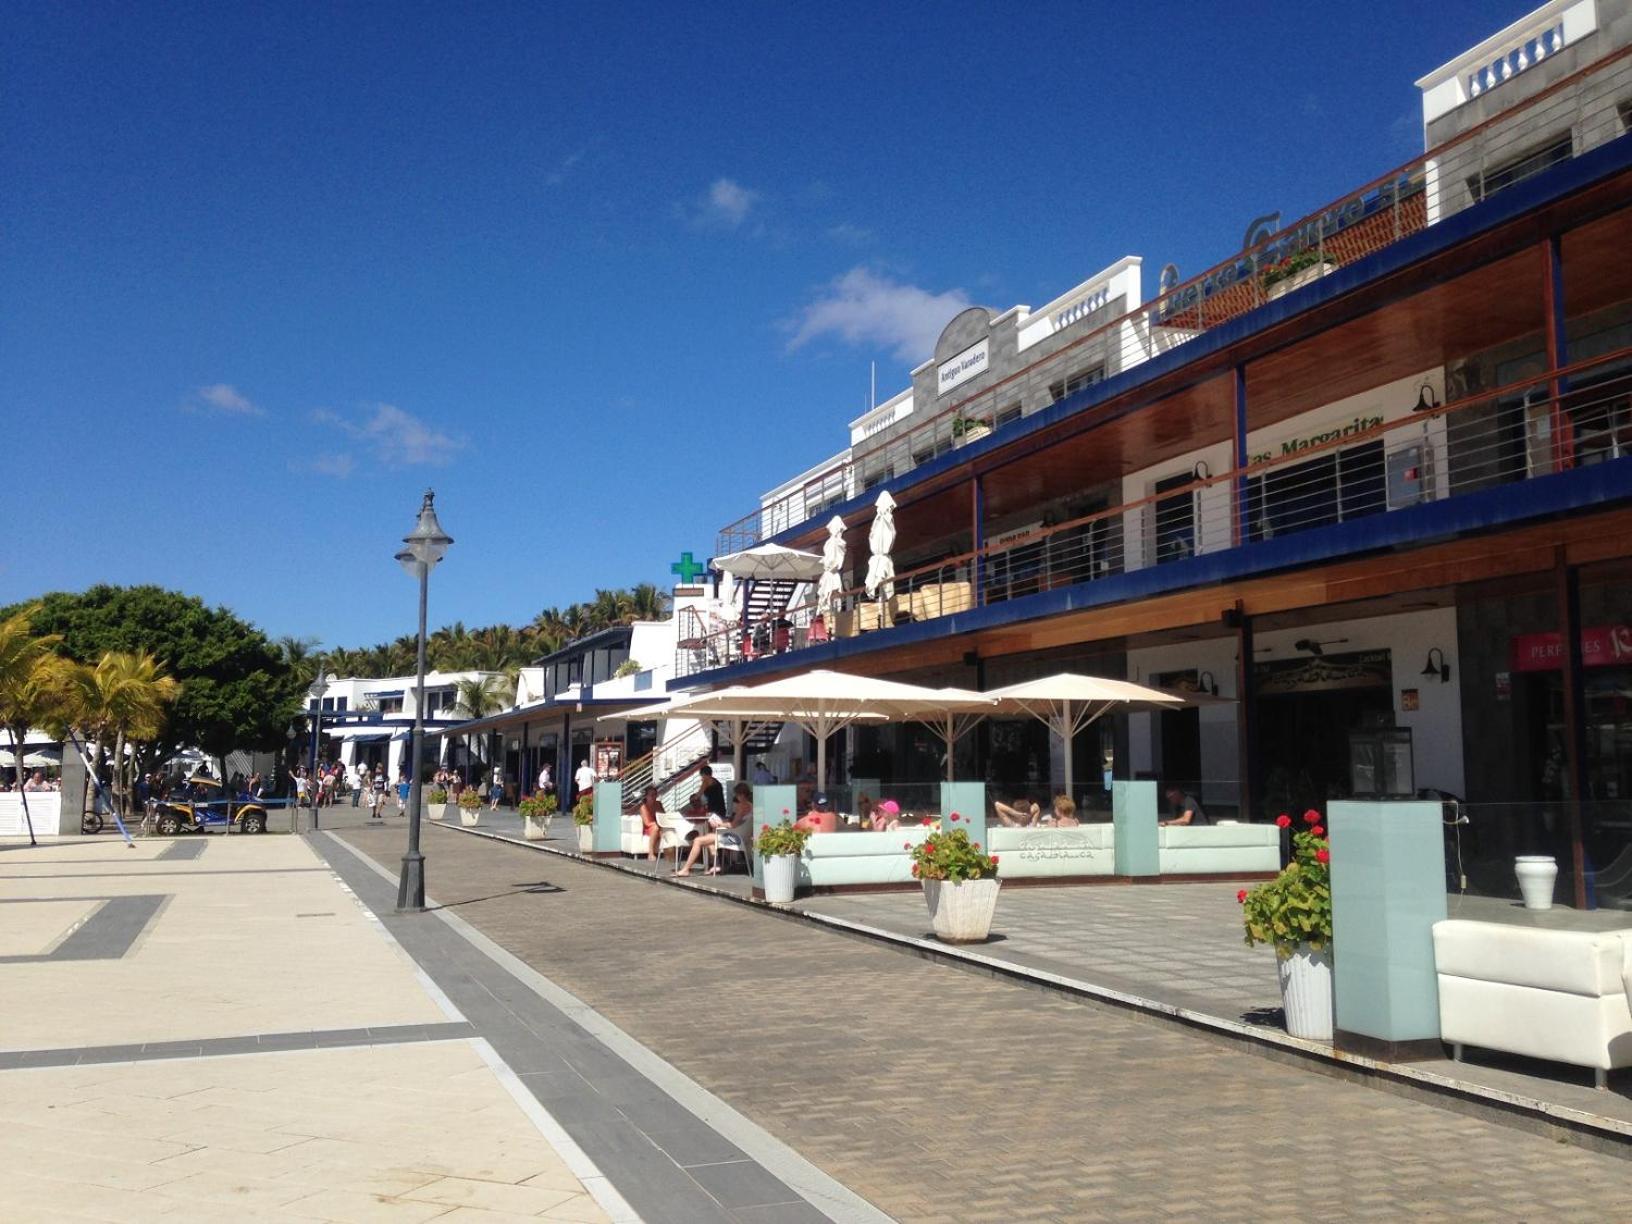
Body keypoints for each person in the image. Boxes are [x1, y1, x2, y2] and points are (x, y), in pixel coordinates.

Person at [676, 783, 752, 876]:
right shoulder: (750, 806)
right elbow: (737, 823)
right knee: (709, 839)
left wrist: (719, 823)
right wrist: (724, 823)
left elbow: (733, 825)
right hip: (740, 837)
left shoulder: (742, 806)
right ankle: (717, 865)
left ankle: (685, 869)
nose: (736, 797)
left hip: (733, 838)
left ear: (741, 795)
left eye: (737, 795)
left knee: (698, 840)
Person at [638, 784, 665, 861]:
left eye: (655, 794)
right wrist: (658, 824)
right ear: (646, 796)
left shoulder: (658, 804)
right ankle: (650, 853)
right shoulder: (643, 807)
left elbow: (663, 816)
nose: (654, 797)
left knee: (665, 828)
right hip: (649, 827)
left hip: (659, 825)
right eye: (651, 795)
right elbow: (647, 823)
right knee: (655, 828)